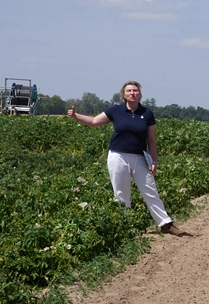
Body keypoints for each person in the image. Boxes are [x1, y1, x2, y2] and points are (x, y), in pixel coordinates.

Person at [68, 81, 185, 236]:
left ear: (140, 94)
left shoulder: (147, 113)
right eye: (129, 91)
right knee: (121, 193)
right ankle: (126, 226)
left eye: (135, 91)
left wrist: (154, 161)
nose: (132, 93)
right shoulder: (115, 110)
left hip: (140, 157)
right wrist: (76, 116)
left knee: (150, 190)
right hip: (118, 156)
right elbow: (94, 122)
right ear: (123, 94)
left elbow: (151, 139)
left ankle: (166, 224)